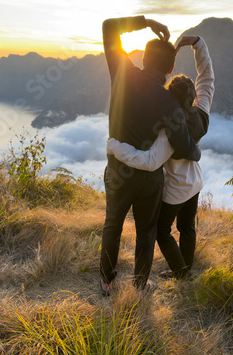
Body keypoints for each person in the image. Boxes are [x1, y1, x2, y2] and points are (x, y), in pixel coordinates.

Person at [100, 16, 201, 296]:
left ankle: (107, 280)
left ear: (143, 58)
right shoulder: (169, 102)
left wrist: (146, 23)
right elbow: (183, 146)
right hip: (149, 180)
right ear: (170, 68)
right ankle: (140, 285)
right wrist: (197, 151)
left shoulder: (122, 72)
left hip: (118, 171)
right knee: (146, 233)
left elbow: (109, 26)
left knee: (113, 224)